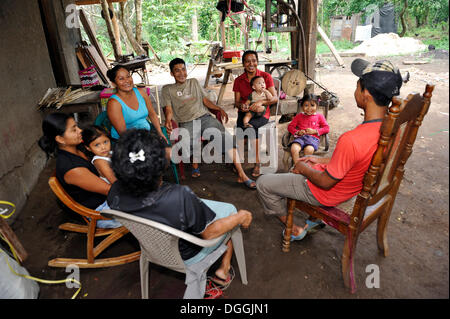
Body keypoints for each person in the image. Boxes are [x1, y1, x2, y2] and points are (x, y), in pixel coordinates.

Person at [257, 58, 404, 241]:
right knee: (310, 161)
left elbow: (325, 183)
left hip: (324, 193)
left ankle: (293, 227)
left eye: (357, 86)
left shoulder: (351, 140)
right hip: (351, 185)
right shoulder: (394, 129)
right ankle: (310, 217)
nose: (355, 90)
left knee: (263, 183)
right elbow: (360, 160)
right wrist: (321, 160)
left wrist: (303, 168)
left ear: (365, 93)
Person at [107, 129, 253, 296]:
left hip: (151, 248)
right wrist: (242, 216)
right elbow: (210, 234)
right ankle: (223, 269)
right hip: (190, 255)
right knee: (231, 211)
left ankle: (223, 268)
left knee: (211, 209)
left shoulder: (114, 192)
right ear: (159, 165)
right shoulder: (178, 196)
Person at [162, 58, 257, 188]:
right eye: (177, 71)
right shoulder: (167, 89)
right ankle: (194, 164)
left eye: (183, 69)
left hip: (204, 117)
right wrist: (168, 120)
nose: (181, 73)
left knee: (226, 138)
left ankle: (242, 174)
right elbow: (168, 109)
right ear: (172, 73)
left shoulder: (194, 82)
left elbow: (205, 101)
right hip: (186, 121)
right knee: (185, 145)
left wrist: (219, 109)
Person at [38, 113, 120, 228]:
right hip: (100, 212)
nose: (80, 131)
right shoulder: (73, 168)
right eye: (73, 130)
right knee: (145, 211)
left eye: (77, 126)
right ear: (60, 139)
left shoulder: (77, 149)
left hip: (106, 199)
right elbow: (111, 190)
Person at [233, 50, 278, 177]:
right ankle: (239, 161)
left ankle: (257, 162)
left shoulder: (265, 77)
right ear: (243, 64)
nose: (251, 64)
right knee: (242, 128)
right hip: (246, 112)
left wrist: (261, 103)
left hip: (261, 113)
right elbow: (236, 102)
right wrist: (241, 105)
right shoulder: (239, 80)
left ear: (257, 62)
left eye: (253, 60)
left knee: (252, 129)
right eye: (247, 61)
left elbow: (274, 98)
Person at [106, 65, 167, 143]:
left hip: (145, 135)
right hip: (126, 142)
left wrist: (159, 132)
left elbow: (152, 114)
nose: (127, 81)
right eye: (121, 79)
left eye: (128, 76)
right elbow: (123, 134)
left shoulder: (140, 92)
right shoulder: (114, 103)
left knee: (167, 150)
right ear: (114, 83)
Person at [287, 94, 329, 164]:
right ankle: (298, 166)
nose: (309, 108)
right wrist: (297, 132)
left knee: (309, 150)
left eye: (312, 105)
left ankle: (306, 167)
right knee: (294, 148)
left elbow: (326, 128)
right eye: (306, 105)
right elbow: (290, 127)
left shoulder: (319, 116)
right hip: (300, 138)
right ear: (302, 106)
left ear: (317, 106)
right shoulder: (299, 116)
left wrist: (315, 131)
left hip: (313, 139)